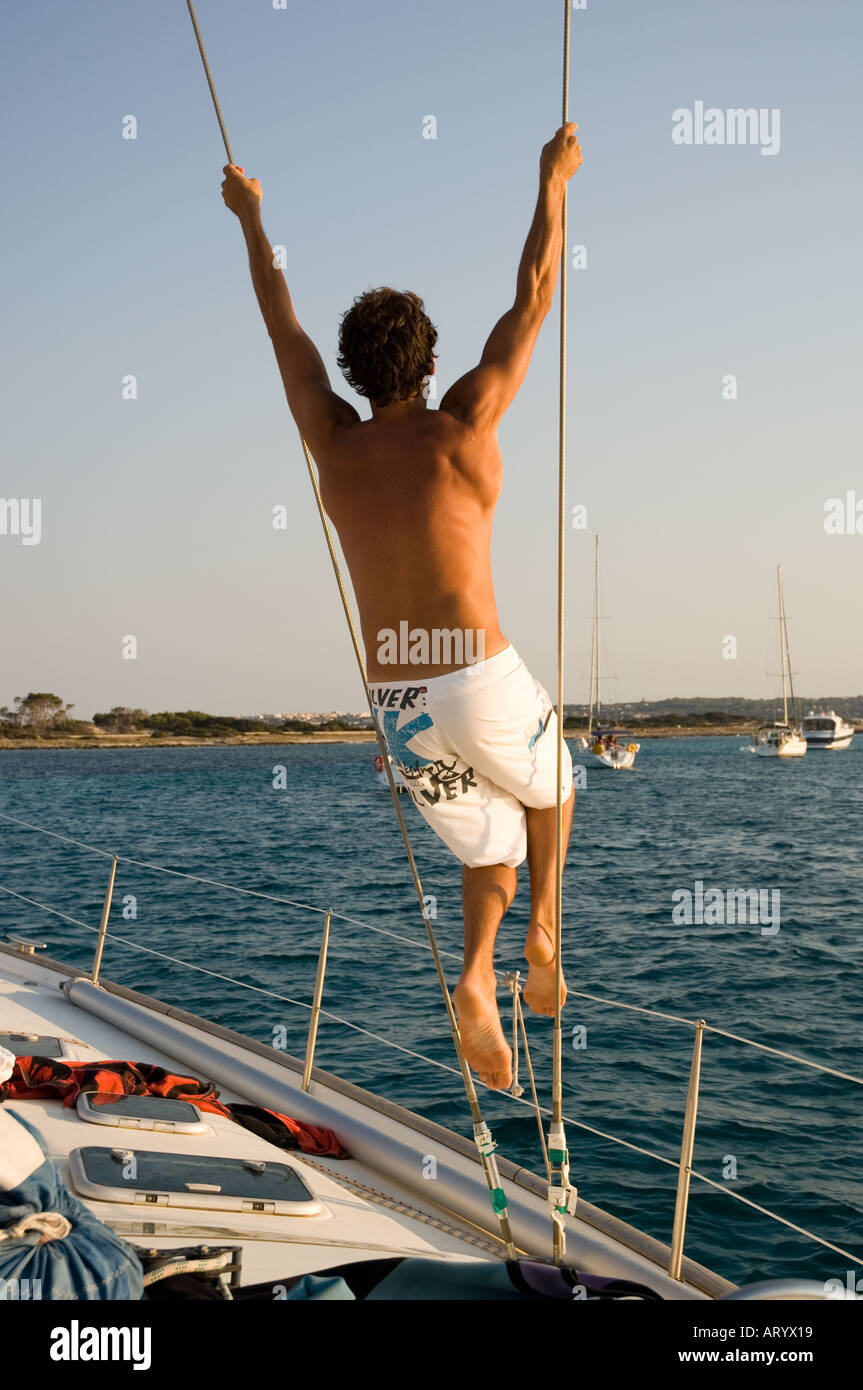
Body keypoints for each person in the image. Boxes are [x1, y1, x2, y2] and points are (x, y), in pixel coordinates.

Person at [222, 124, 583, 1090]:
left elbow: (278, 326)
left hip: (400, 707)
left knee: (491, 851)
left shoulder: (332, 446)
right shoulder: (463, 423)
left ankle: (474, 978)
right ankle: (544, 933)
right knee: (557, 788)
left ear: (352, 372)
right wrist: (551, 179)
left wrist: (253, 222)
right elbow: (536, 293)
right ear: (429, 364)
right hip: (475, 671)